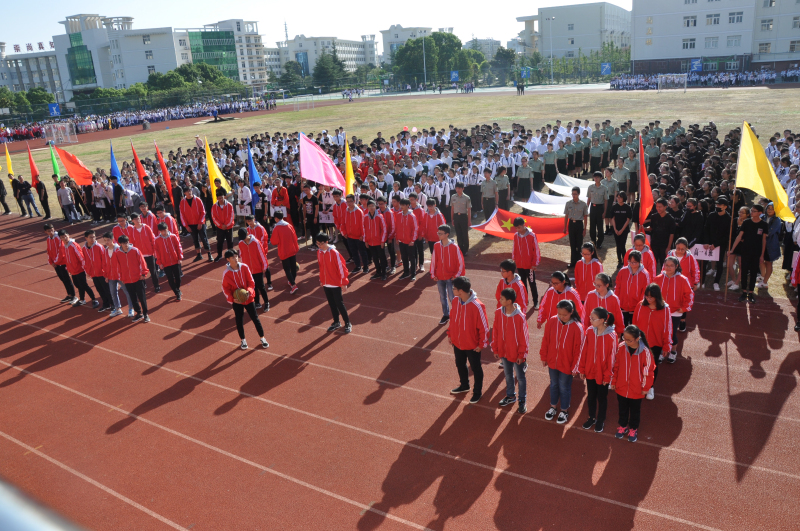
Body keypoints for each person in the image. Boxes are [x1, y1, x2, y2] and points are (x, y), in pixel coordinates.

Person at [539, 300, 583, 424]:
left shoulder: (578, 327)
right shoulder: (552, 321)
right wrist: (544, 356)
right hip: (553, 362)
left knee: (564, 387)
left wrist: (575, 367)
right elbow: (546, 339)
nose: (561, 317)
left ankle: (564, 410)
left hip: (567, 365)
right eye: (559, 314)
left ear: (571, 312)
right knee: (553, 384)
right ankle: (553, 407)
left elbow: (579, 349)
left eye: (565, 315)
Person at [447, 276, 489, 404]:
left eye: (454, 288)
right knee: (460, 364)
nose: (452, 290)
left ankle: (477, 392)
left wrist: (482, 344)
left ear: (460, 291)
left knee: (476, 368)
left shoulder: (478, 306)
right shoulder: (455, 300)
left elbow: (484, 327)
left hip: (473, 345)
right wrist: (450, 334)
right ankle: (464, 385)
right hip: (457, 342)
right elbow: (453, 318)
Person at [611, 325, 656, 443]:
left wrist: (646, 387)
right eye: (624, 338)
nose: (626, 341)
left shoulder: (645, 352)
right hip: (621, 387)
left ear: (637, 338)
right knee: (622, 408)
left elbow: (649, 372)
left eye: (629, 340)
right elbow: (616, 366)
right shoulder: (621, 347)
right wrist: (614, 381)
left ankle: (633, 428)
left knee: (635, 411)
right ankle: (622, 426)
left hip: (637, 389)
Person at [578, 307, 616, 433]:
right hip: (590, 372)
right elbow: (584, 350)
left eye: (593, 318)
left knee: (602, 398)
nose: (590, 320)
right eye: (590, 317)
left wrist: (607, 376)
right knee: (591, 396)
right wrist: (582, 369)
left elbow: (612, 358)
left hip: (602, 374)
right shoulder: (589, 331)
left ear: (602, 320)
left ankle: (601, 420)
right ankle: (591, 417)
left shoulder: (612, 336)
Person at [221, 249, 269, 349]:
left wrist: (249, 292)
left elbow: (251, 282)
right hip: (237, 301)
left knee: (255, 318)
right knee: (239, 320)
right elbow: (225, 288)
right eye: (233, 257)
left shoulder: (244, 267)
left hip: (248, 298)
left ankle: (262, 338)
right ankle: (243, 340)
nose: (236, 258)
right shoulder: (226, 273)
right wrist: (232, 299)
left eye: (236, 256)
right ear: (228, 259)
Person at [491, 288, 529, 415]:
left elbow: (524, 337)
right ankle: (510, 396)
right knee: (508, 375)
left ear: (509, 301)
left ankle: (522, 400)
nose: (499, 300)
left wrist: (521, 354)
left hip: (517, 354)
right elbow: (495, 331)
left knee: (520, 377)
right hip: (504, 352)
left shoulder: (520, 317)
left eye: (502, 298)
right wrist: (495, 348)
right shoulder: (498, 313)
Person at [633, 284, 672, 400]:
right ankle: (639, 384)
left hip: (655, 344)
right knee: (638, 365)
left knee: (652, 366)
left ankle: (650, 387)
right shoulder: (640, 305)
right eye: (646, 296)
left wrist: (666, 345)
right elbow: (634, 323)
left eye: (651, 297)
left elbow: (668, 328)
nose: (648, 299)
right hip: (639, 342)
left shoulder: (665, 309)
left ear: (657, 297)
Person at [654, 256, 694, 362]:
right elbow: (652, 294)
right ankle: (663, 352)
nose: (668, 267)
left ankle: (673, 352)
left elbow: (689, 294)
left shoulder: (683, 279)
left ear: (676, 266)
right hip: (660, 311)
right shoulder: (657, 279)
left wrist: (684, 308)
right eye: (666, 265)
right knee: (660, 333)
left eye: (671, 265)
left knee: (671, 333)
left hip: (675, 312)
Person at [729, 203, 767, 304]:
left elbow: (764, 240)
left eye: (754, 211)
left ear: (760, 213)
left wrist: (762, 255)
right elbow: (739, 236)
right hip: (745, 251)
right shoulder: (746, 222)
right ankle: (744, 292)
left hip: (756, 252)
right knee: (744, 271)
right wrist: (732, 249)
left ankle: (751, 293)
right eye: (751, 210)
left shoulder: (764, 225)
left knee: (753, 273)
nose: (752, 212)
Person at [316, 233, 352, 333]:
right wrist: (321, 280)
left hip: (335, 283)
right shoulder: (319, 252)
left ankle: (347, 323)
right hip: (326, 283)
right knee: (331, 304)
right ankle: (336, 322)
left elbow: (342, 268)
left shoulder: (334, 253)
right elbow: (321, 267)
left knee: (339, 304)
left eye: (321, 243)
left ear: (326, 242)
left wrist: (343, 283)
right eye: (317, 243)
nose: (319, 246)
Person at [430, 224, 466, 325]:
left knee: (452, 298)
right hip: (440, 277)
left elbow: (461, 262)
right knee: (442, 297)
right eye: (438, 233)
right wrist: (433, 274)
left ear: (447, 234)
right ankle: (446, 315)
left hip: (451, 278)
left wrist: (456, 275)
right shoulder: (436, 245)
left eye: (441, 233)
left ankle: (456, 314)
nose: (438, 235)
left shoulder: (454, 247)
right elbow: (434, 260)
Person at [113, 235, 150, 323]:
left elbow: (142, 262)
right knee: (133, 298)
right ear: (120, 244)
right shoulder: (117, 253)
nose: (126, 245)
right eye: (123, 243)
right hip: (127, 280)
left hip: (138, 278)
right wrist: (121, 278)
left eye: (127, 242)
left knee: (142, 297)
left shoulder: (135, 250)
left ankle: (145, 314)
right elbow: (118, 266)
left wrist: (143, 273)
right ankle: (139, 313)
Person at [58, 230, 98, 307]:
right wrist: (68, 268)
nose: (65, 238)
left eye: (65, 236)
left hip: (79, 269)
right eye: (62, 237)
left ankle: (94, 299)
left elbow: (81, 257)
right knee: (78, 285)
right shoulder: (65, 246)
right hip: (73, 270)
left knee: (84, 285)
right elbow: (67, 258)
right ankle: (82, 300)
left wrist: (85, 269)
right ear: (60, 238)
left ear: (68, 235)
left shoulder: (73, 245)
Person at [512, 217, 541, 310]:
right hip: (520, 265)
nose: (518, 230)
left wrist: (534, 263)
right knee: (522, 284)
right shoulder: (516, 236)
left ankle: (536, 302)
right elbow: (514, 248)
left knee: (532, 283)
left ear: (524, 225)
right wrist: (514, 260)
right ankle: (524, 300)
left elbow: (536, 250)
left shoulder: (532, 235)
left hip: (530, 266)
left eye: (519, 227)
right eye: (516, 228)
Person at [616, 250, 651, 326]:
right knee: (622, 326)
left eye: (635, 262)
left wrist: (640, 304)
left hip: (636, 306)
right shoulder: (622, 271)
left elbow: (645, 291)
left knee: (634, 327)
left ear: (640, 261)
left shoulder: (645, 274)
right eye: (630, 262)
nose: (632, 264)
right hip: (622, 304)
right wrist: (617, 300)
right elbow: (618, 286)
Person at [270, 210, 300, 294]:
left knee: (287, 269)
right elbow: (295, 237)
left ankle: (293, 285)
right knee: (293, 267)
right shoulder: (289, 225)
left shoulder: (276, 228)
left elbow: (274, 241)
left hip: (284, 251)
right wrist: (296, 247)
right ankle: (292, 281)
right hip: (292, 249)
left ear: (276, 218)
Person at [43, 223, 75, 302]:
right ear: (45, 232)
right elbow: (49, 251)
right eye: (49, 231)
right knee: (62, 279)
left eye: (52, 230)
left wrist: (56, 261)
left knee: (67, 279)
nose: (51, 232)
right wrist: (51, 262)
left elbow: (61, 251)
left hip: (62, 262)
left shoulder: (59, 238)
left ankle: (73, 296)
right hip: (56, 263)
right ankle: (69, 294)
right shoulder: (48, 239)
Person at [180, 187, 213, 263]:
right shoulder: (182, 202)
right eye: (187, 191)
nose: (189, 192)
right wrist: (186, 226)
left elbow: (203, 212)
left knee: (204, 238)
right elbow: (182, 215)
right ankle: (199, 255)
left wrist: (200, 223)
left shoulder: (198, 200)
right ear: (184, 193)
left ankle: (209, 254)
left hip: (200, 223)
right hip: (190, 224)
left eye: (190, 190)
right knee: (195, 239)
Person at [83, 229, 113, 312]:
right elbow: (85, 260)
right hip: (93, 273)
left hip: (102, 273)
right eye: (90, 237)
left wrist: (105, 271)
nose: (93, 239)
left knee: (107, 289)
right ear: (86, 238)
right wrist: (88, 271)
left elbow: (105, 260)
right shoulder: (84, 248)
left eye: (94, 237)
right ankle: (106, 304)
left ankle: (113, 304)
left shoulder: (99, 247)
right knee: (100, 289)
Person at [154, 222, 184, 300]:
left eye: (165, 230)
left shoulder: (173, 237)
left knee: (178, 278)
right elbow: (157, 252)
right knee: (170, 279)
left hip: (175, 261)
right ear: (159, 231)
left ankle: (177, 289)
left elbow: (178, 247)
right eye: (162, 231)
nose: (164, 232)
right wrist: (159, 263)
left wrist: (180, 258)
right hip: (165, 263)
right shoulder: (157, 240)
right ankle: (177, 292)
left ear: (167, 228)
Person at [644, 198, 676, 270]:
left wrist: (669, 247)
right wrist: (643, 228)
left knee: (663, 263)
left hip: (665, 245)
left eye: (660, 207)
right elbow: (651, 228)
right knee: (653, 262)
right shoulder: (654, 216)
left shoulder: (670, 219)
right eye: (657, 206)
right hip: (654, 243)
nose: (658, 208)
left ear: (665, 207)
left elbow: (672, 234)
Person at [131, 213, 159, 293]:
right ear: (132, 221)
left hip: (149, 253)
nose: (138, 220)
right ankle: (144, 284)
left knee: (153, 271)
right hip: (139, 255)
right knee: (141, 271)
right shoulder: (132, 230)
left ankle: (156, 286)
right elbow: (132, 243)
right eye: (135, 219)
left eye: (138, 218)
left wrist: (154, 251)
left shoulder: (146, 227)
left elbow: (153, 239)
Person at [342, 194, 369, 273]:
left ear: (354, 201)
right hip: (349, 236)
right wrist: (344, 232)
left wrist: (362, 235)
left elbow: (362, 224)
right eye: (347, 201)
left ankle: (366, 267)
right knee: (354, 253)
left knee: (362, 252)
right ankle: (358, 266)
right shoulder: (345, 211)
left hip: (358, 237)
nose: (349, 203)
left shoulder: (359, 211)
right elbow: (343, 223)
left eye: (350, 201)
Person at [362, 200, 388, 281]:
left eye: (372, 206)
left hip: (379, 242)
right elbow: (364, 229)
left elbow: (384, 229)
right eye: (369, 206)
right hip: (370, 242)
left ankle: (384, 273)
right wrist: (366, 240)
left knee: (382, 258)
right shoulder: (365, 217)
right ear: (367, 207)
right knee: (375, 258)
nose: (371, 208)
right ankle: (378, 272)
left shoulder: (380, 216)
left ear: (375, 207)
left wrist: (382, 241)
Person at [758, 202, 782, 290]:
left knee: (768, 262)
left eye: (772, 209)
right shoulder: (763, 217)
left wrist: (763, 233)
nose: (769, 210)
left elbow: (770, 232)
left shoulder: (777, 220)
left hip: (771, 244)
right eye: (768, 208)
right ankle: (762, 276)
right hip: (761, 243)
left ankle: (765, 282)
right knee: (760, 260)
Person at [563, 187, 589, 267]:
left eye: (575, 194)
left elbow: (585, 217)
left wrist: (585, 229)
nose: (573, 195)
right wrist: (565, 227)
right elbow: (566, 216)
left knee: (579, 244)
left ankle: (579, 262)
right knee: (572, 244)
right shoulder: (568, 203)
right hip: (571, 224)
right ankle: (573, 262)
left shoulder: (583, 204)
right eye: (572, 194)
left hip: (579, 224)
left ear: (579, 194)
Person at [396, 198, 419, 281]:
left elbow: (415, 229)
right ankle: (406, 272)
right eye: (401, 205)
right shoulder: (398, 215)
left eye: (403, 205)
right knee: (404, 257)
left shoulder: (412, 216)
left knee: (412, 258)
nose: (401, 206)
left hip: (410, 242)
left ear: (408, 205)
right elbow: (397, 227)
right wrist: (397, 238)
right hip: (401, 241)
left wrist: (412, 240)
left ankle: (413, 274)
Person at [586, 172, 610, 249]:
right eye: (594, 177)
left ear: (601, 178)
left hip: (600, 208)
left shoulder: (604, 188)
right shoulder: (590, 187)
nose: (596, 179)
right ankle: (593, 241)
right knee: (592, 225)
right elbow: (589, 199)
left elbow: (606, 200)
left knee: (600, 226)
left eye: (597, 177)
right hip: (593, 207)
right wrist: (586, 209)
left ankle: (599, 242)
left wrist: (604, 212)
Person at [211, 189, 235, 262]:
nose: (221, 199)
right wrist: (221, 225)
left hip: (229, 227)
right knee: (219, 242)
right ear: (217, 198)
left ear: (224, 197)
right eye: (219, 198)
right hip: (220, 227)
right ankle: (219, 255)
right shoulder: (214, 206)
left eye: (222, 198)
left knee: (230, 241)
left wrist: (226, 225)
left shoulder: (229, 205)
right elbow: (214, 217)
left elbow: (231, 216)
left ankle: (230, 256)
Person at [610, 191, 632, 267]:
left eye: (620, 197)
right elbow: (612, 218)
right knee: (618, 245)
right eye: (617, 197)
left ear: (624, 198)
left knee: (622, 245)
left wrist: (622, 230)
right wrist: (615, 229)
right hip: (616, 230)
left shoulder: (627, 207)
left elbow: (628, 220)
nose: (618, 199)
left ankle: (625, 261)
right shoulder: (614, 207)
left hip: (624, 230)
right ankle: (619, 261)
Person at [450, 182, 472, 256]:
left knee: (464, 234)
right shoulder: (453, 197)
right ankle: (460, 249)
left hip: (463, 217)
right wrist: (452, 219)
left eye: (459, 188)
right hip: (456, 217)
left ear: (463, 188)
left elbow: (469, 210)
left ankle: (465, 249)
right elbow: (452, 209)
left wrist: (469, 220)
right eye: (456, 188)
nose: (457, 190)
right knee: (458, 233)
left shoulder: (467, 198)